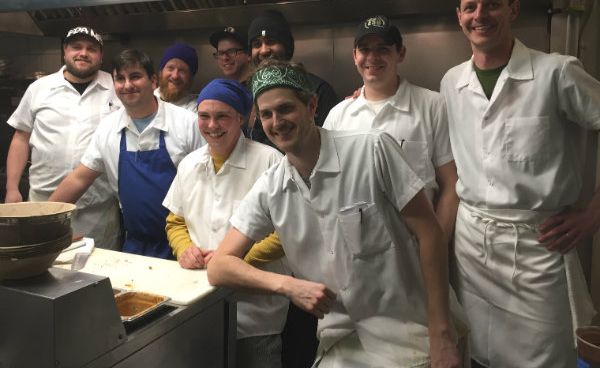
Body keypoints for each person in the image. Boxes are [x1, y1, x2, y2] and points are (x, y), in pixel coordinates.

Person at [208, 59, 464, 368]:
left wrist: (442, 336)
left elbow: (430, 233)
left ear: (311, 105)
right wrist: (287, 286)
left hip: (413, 335)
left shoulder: (372, 151)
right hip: (342, 343)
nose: (277, 122)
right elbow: (220, 266)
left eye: (286, 109)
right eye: (266, 114)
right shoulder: (272, 186)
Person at [441, 0, 600, 368]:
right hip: (472, 245)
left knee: (545, 356)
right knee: (478, 350)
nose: (481, 15)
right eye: (471, 7)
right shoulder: (451, 82)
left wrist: (594, 214)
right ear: (459, 17)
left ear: (512, 10)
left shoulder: (556, 73)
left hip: (538, 247)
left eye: (492, 5)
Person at [162, 78, 289, 367]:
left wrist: (231, 262)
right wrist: (184, 250)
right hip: (199, 302)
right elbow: (175, 221)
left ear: (241, 118)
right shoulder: (189, 164)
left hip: (256, 310)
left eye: (223, 116)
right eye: (204, 116)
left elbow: (286, 232)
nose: (212, 125)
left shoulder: (270, 162)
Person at [49, 49, 204, 259]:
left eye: (135, 76)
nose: (127, 85)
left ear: (152, 81)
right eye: (120, 79)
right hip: (135, 246)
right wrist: (43, 220)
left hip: (187, 245)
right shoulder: (108, 128)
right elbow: (79, 178)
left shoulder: (188, 123)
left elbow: (208, 185)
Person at [323, 15, 459, 240]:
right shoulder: (339, 116)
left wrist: (436, 243)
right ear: (354, 56)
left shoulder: (432, 106)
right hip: (357, 249)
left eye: (383, 48)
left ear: (401, 53)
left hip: (416, 246)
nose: (372, 57)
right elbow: (326, 190)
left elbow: (451, 185)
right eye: (364, 49)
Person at [5, 26, 123, 249]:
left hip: (97, 209)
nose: (83, 53)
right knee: (43, 269)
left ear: (101, 55)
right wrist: (12, 188)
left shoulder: (116, 88)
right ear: (64, 51)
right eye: (76, 47)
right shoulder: (40, 88)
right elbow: (21, 138)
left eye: (91, 48)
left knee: (99, 274)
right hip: (42, 203)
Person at [245, 9, 339, 146]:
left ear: (287, 47)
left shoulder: (318, 89)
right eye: (257, 44)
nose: (264, 50)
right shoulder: (245, 92)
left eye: (271, 41)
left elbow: (330, 143)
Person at [155, 43, 199, 112]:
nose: (175, 76)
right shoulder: (146, 100)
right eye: (170, 68)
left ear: (191, 76)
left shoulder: (196, 109)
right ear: (161, 71)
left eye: (182, 71)